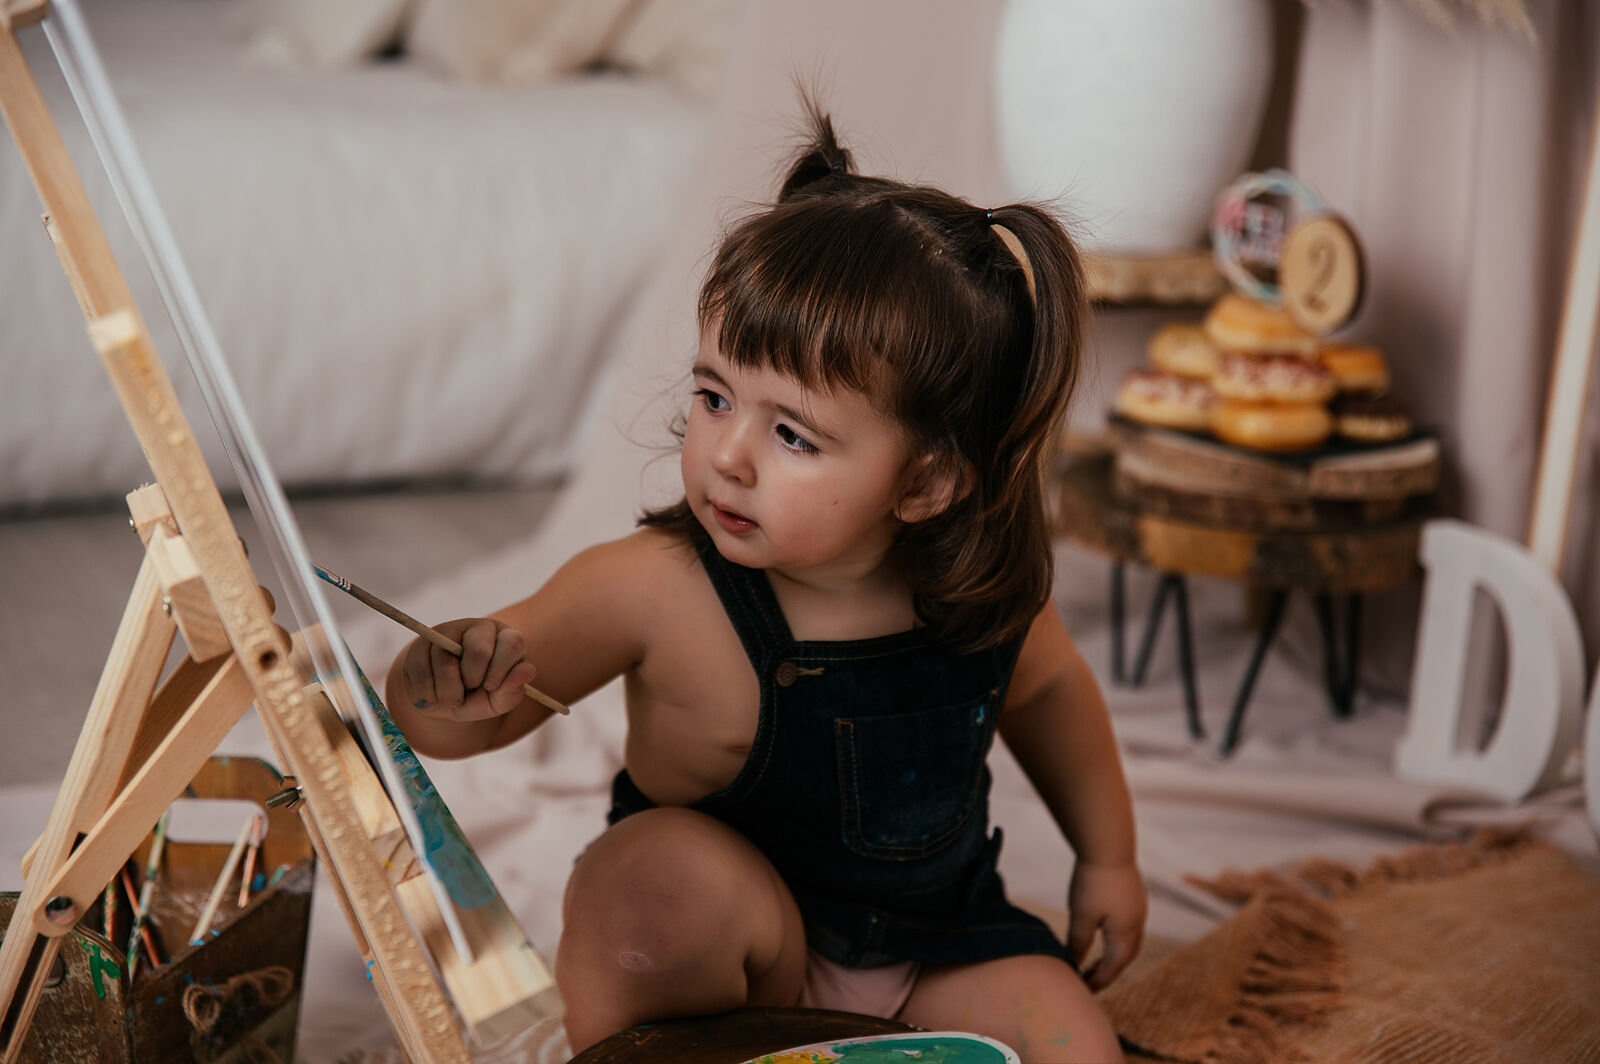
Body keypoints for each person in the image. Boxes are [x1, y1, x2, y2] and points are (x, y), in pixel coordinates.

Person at [386, 105, 1145, 1062]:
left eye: (792, 434)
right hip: (737, 965)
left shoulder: (977, 595)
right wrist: (437, 680)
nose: (729, 455)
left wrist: (1107, 858)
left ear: (925, 481)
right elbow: (464, 722)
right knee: (645, 901)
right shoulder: (652, 589)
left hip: (938, 954)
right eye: (713, 396)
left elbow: (1051, 692)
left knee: (1074, 1041)